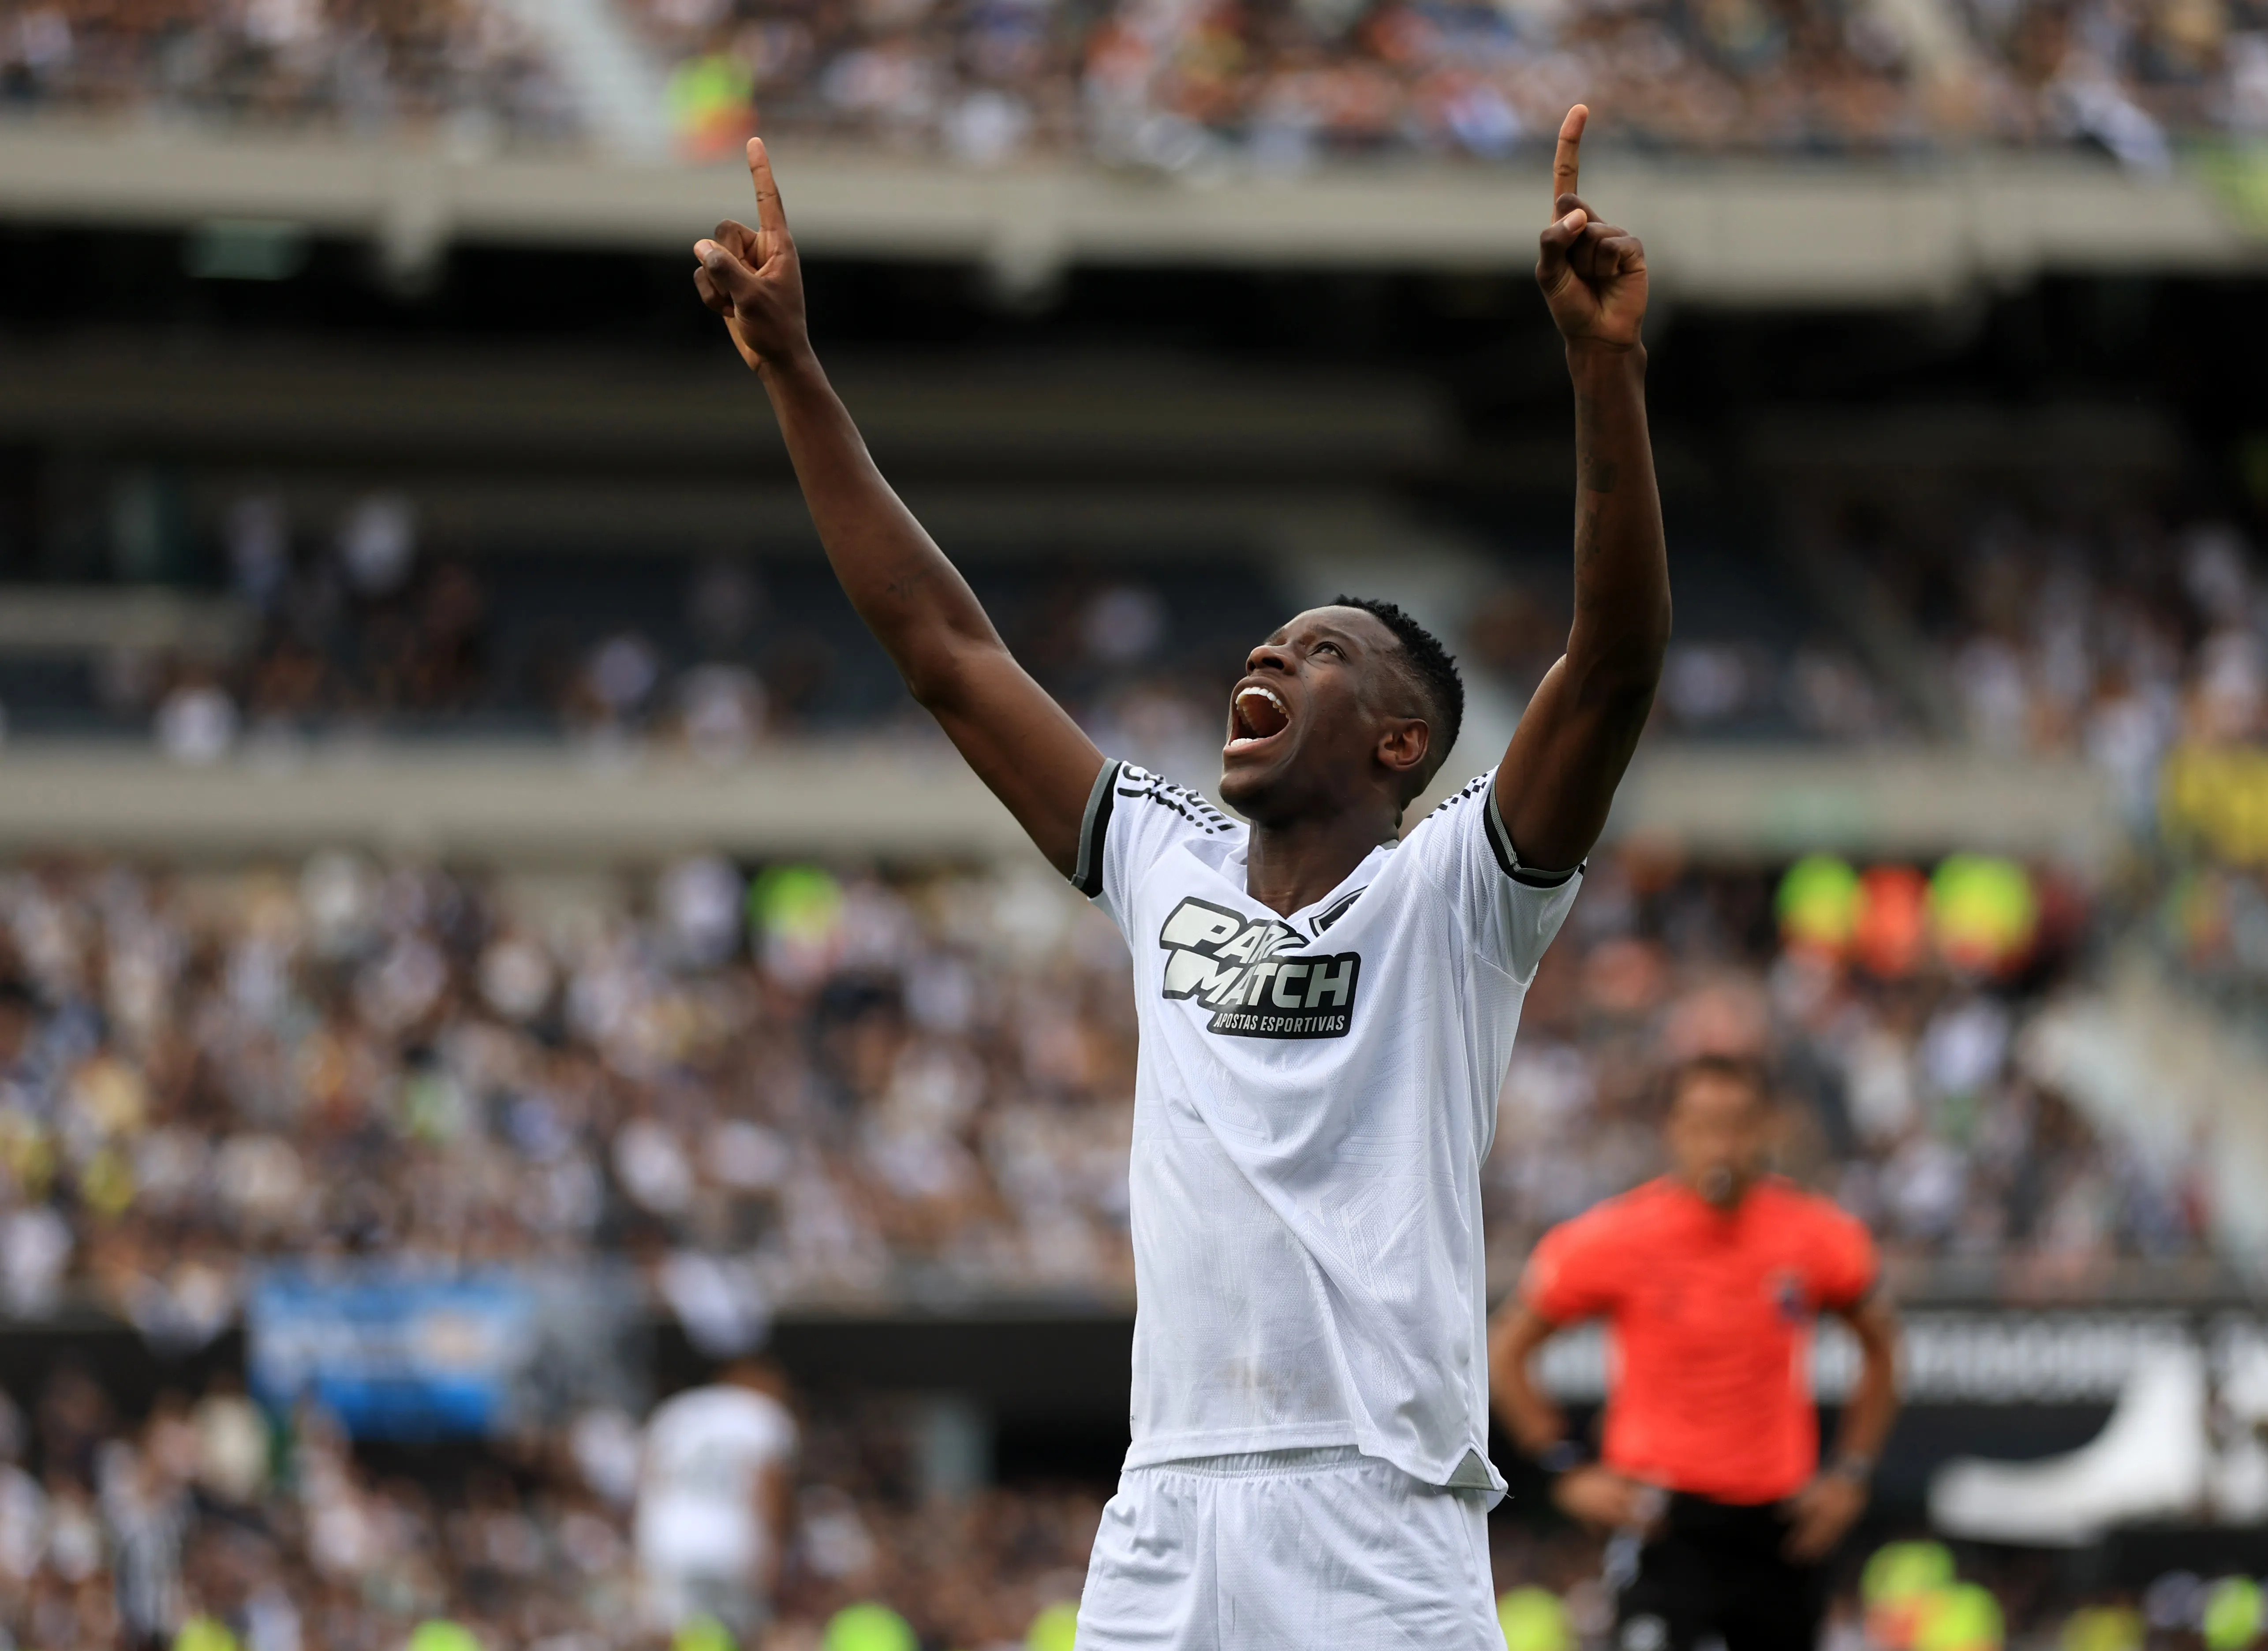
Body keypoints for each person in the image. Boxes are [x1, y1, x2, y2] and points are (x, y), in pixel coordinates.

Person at [690, 103, 1668, 1649]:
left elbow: (1609, 669)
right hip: (1165, 1506)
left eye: (1320, 654)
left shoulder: (1456, 902)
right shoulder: (1162, 855)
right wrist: (798, 374)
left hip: (1377, 1509)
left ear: (1401, 743)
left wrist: (1599, 369)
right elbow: (947, 652)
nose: (1268, 653)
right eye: (1269, 643)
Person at [1491, 1054, 1904, 1651]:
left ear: (1767, 1129)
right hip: (1662, 1519)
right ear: (1674, 1130)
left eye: (1738, 1124)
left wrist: (1851, 1474)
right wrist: (1565, 1467)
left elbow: (1883, 1347)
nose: (1722, 1144)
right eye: (1704, 1124)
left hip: (1781, 1524)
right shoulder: (1616, 1236)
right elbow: (1507, 1350)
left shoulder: (1816, 1236)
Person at [633, 1361, 797, 1641]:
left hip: (667, 1538)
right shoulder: (761, 1411)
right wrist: (774, 1545)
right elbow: (766, 1481)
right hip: (731, 1540)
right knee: (743, 1631)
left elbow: (648, 1478)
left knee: (670, 1632)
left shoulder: (677, 1409)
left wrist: (642, 1542)